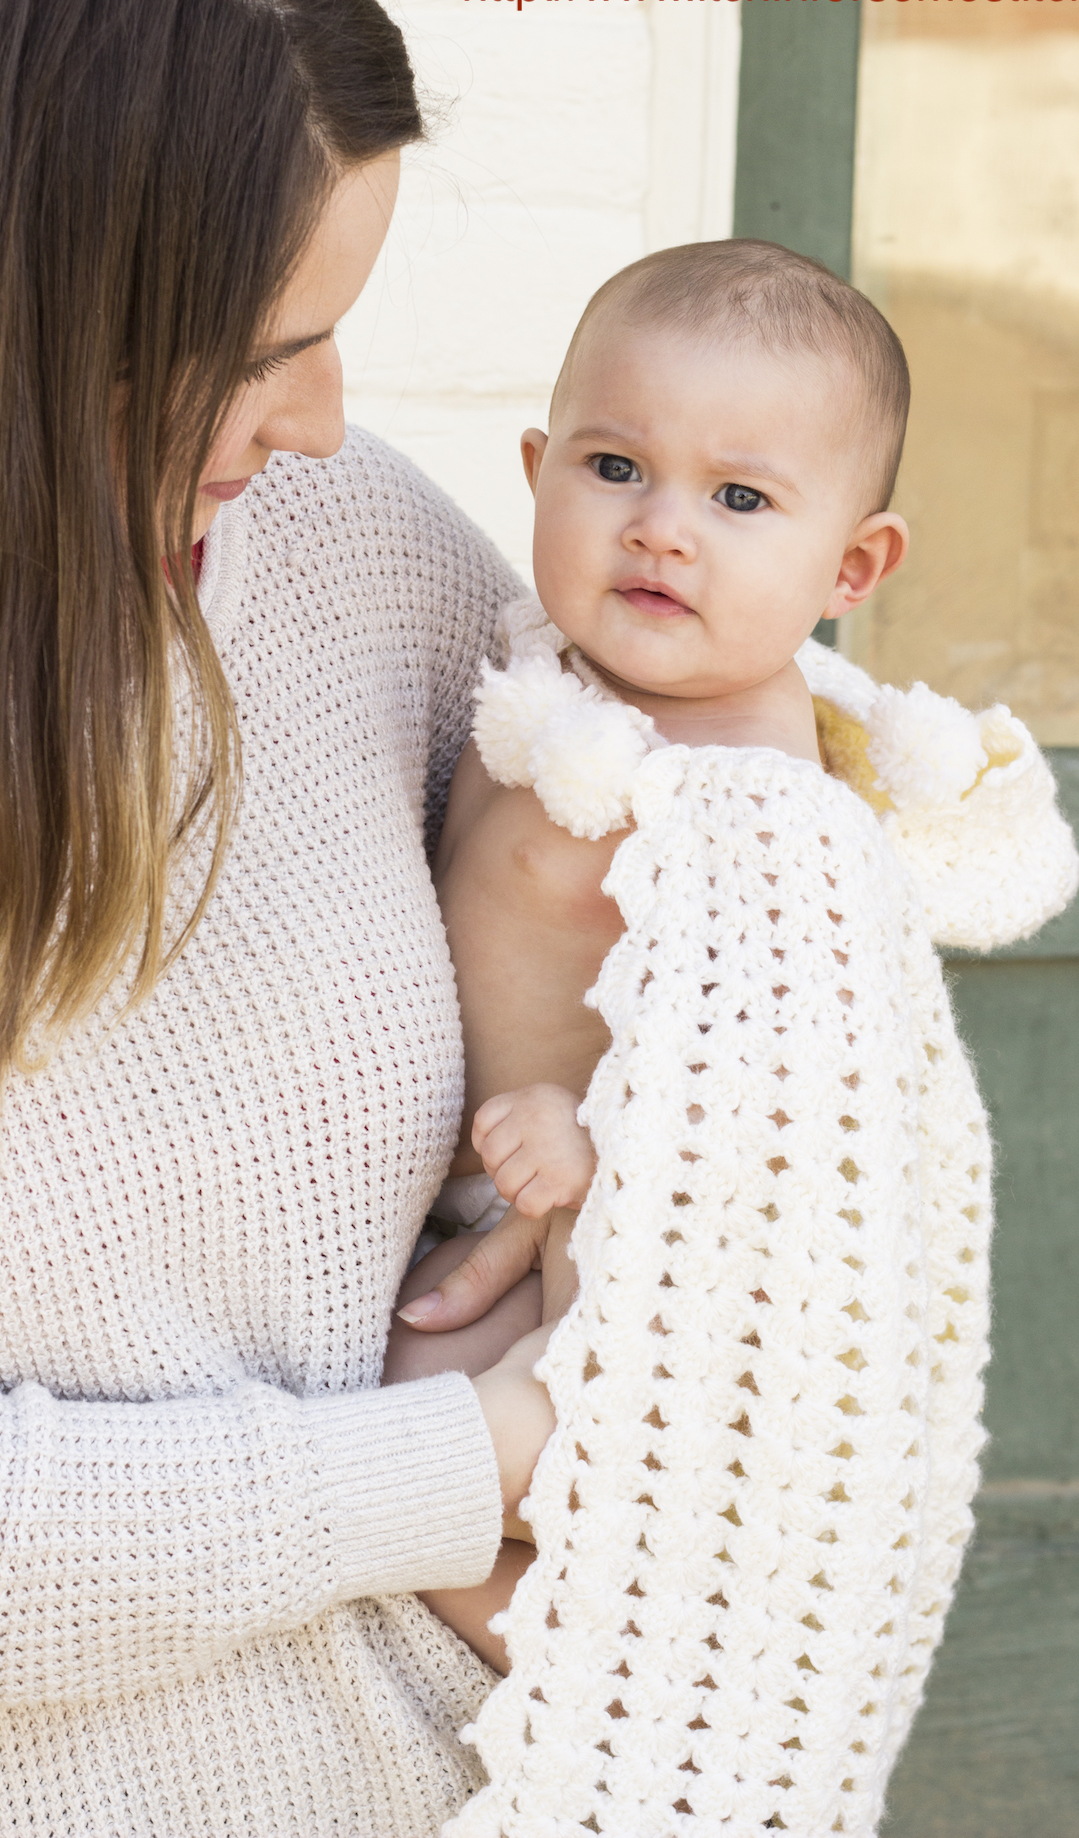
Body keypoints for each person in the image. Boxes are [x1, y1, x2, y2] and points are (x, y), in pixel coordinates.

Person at [0, 0, 579, 1830]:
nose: (326, 419)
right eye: (259, 353)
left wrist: (576, 1179)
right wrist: (467, 1459)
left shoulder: (354, 558)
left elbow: (706, 894)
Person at [384, 239, 911, 1656]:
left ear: (851, 563)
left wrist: (593, 1135)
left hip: (613, 1238)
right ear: (538, 468)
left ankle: (580, 1698)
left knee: (452, 1425)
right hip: (489, 1207)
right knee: (404, 1385)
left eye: (739, 498)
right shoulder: (528, 666)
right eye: (615, 469)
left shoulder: (756, 797)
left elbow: (774, 1097)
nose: (663, 528)